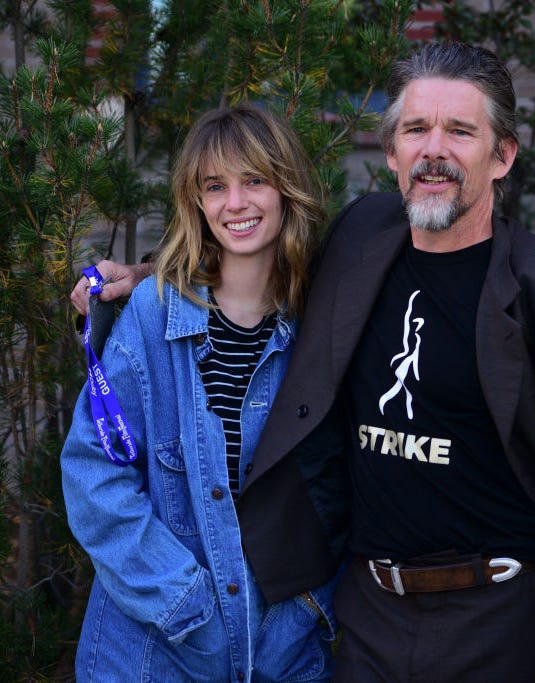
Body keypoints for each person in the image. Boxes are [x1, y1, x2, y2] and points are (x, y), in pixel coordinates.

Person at [71, 43, 535, 682]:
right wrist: (150, 275)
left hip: (500, 622)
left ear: (503, 154)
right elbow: (252, 255)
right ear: (392, 151)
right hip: (370, 623)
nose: (434, 150)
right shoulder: (360, 239)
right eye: (415, 129)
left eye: (460, 131)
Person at [61, 105, 347, 683]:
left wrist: (313, 608)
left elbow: (350, 485)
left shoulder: (326, 323)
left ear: (286, 188)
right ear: (196, 202)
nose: (235, 203)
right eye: (215, 186)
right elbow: (96, 476)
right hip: (150, 652)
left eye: (254, 180)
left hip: (283, 650)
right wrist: (186, 608)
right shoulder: (153, 315)